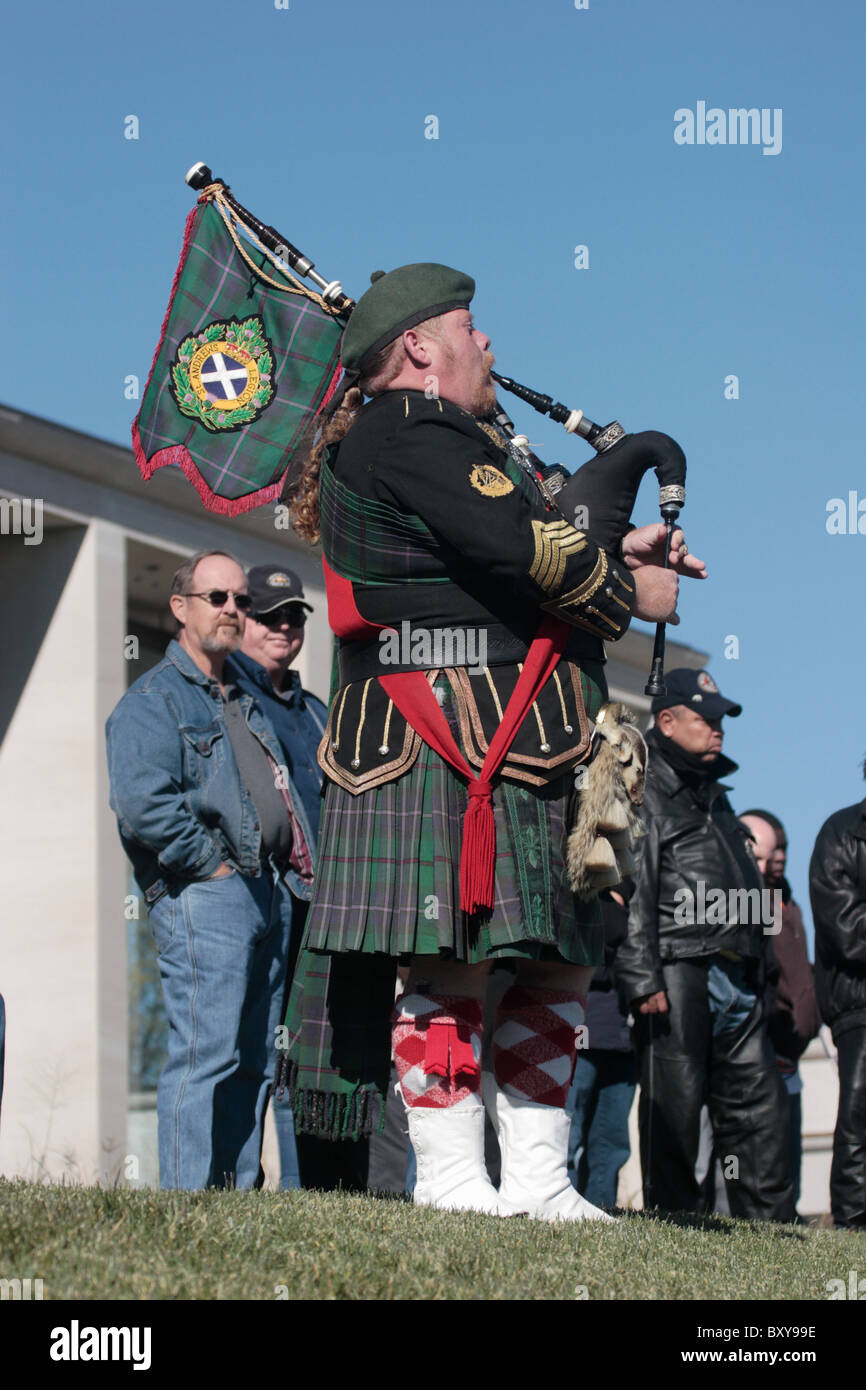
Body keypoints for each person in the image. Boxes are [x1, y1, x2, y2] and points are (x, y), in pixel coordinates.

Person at [281, 262, 704, 1219]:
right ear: (421, 348)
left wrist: (616, 547)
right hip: (446, 731)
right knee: (450, 957)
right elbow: (523, 547)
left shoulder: (440, 435)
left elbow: (521, 527)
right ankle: (457, 1179)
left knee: (553, 954)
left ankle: (542, 1181)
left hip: (512, 730)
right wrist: (624, 592)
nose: (489, 345)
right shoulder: (408, 428)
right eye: (472, 328)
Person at [106, 551, 315, 1189]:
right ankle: (185, 1201)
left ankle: (234, 1199)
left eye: (240, 601)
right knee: (205, 1053)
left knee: (254, 1059)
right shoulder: (152, 700)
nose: (233, 610)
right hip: (207, 897)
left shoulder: (238, 698)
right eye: (217, 598)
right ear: (181, 608)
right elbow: (142, 805)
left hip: (268, 892)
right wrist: (213, 868)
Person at [614, 669, 795, 1221]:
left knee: (759, 1107)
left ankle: (767, 1222)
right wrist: (641, 977)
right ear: (665, 721)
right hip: (676, 970)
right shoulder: (644, 791)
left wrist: (761, 971)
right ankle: (674, 1218)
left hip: (737, 975)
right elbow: (634, 888)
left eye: (721, 720)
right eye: (706, 718)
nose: (718, 729)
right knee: (675, 1104)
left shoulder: (715, 798)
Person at [225, 565, 366, 1191]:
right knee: (253, 1051)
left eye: (294, 617)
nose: (283, 626)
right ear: (241, 620)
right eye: (269, 615)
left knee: (315, 1056)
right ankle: (236, 1185)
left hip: (324, 907)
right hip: (259, 898)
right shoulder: (224, 700)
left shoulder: (315, 712)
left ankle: (324, 1192)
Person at [740, 810, 820, 1209]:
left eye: (784, 851)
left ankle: (789, 1213)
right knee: (765, 1147)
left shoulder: (792, 907)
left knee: (790, 1148)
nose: (779, 860)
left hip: (794, 1054)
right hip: (768, 1048)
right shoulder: (750, 904)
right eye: (773, 853)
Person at [809, 774, 866, 1229]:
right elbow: (847, 933)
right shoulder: (842, 834)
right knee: (860, 1115)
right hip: (859, 1004)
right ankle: (854, 1223)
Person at [566, 883, 638, 1208]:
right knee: (569, 1127)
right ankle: (557, 1203)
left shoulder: (643, 891)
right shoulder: (589, 886)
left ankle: (600, 1209)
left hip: (624, 1035)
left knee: (611, 1138)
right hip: (584, 1024)